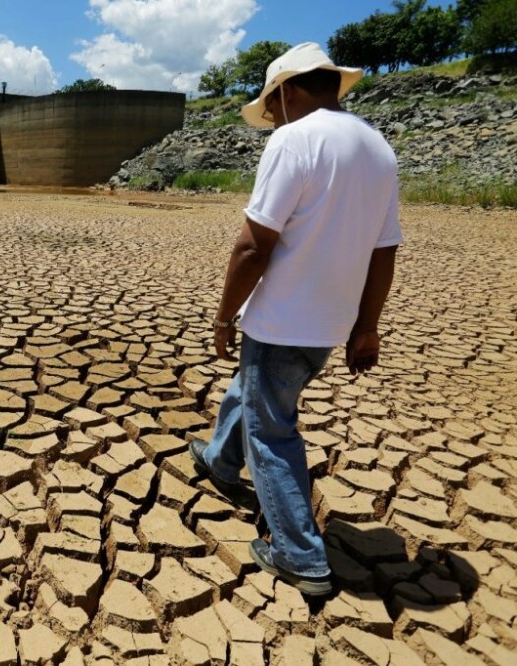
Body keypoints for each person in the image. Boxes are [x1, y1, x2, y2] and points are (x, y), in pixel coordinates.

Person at [189, 42, 402, 596]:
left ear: (286, 91)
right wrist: (366, 325)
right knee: (255, 392)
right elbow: (385, 251)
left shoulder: (294, 139)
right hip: (330, 327)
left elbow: (252, 248)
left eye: (272, 105)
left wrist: (223, 316)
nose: (272, 118)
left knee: (272, 432)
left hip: (281, 322)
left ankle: (299, 554)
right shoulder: (378, 149)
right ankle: (217, 460)